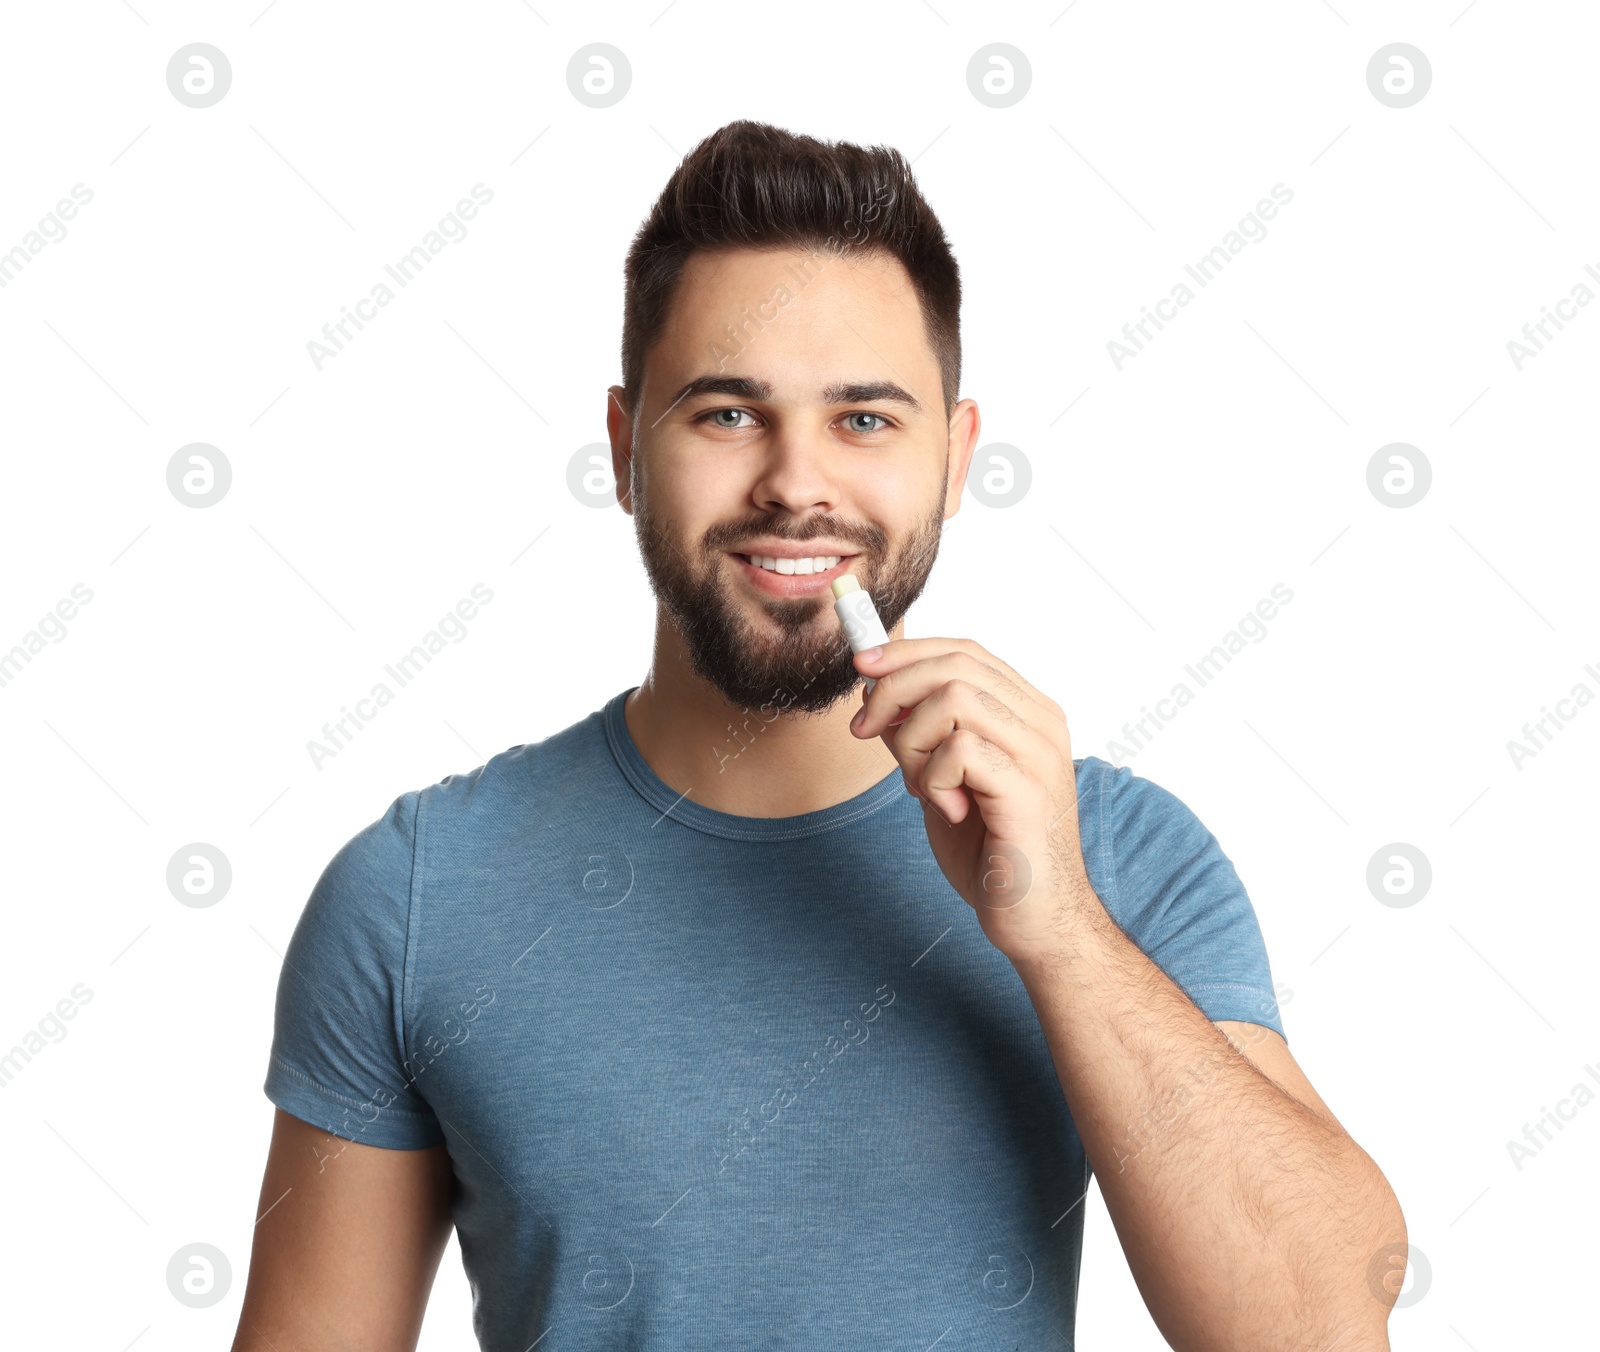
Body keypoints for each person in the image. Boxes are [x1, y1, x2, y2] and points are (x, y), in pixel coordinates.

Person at [231, 119, 1406, 1351]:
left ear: (953, 459)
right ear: (627, 449)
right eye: (729, 414)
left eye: (864, 420)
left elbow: (1320, 1322)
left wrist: (1055, 926)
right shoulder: (419, 891)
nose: (797, 483)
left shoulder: (1113, 852)